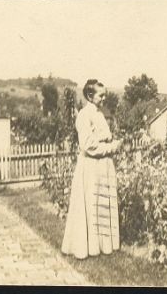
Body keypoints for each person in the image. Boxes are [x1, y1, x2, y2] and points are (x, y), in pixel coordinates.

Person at [61, 79, 122, 259]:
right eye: (100, 95)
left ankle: (103, 245)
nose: (104, 99)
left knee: (101, 205)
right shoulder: (84, 115)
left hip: (102, 165)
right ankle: (88, 246)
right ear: (89, 95)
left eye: (104, 95)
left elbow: (103, 138)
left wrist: (111, 143)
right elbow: (88, 145)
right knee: (91, 203)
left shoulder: (100, 114)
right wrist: (112, 147)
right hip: (90, 167)